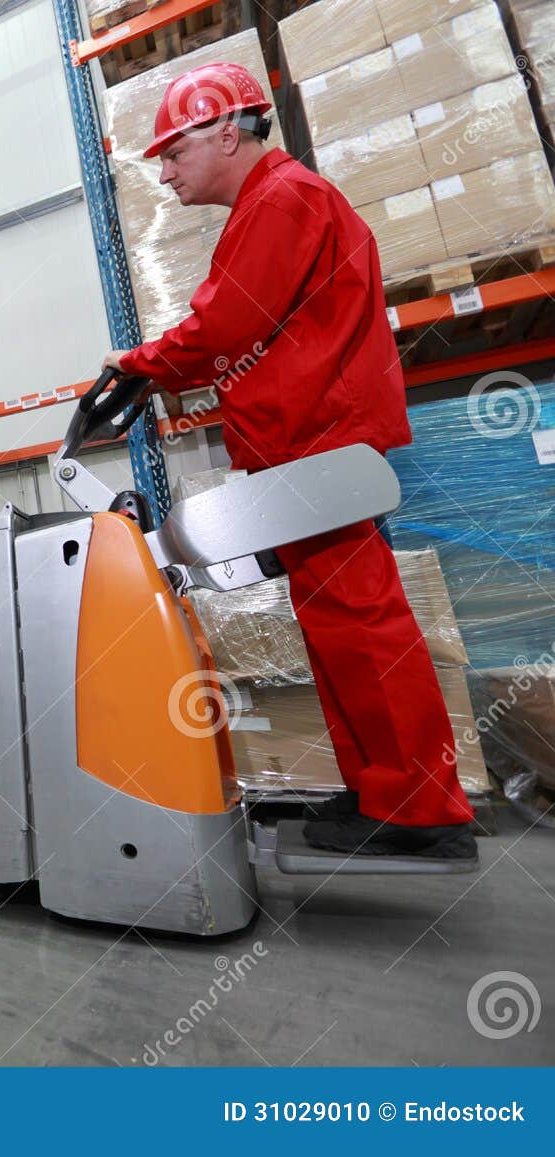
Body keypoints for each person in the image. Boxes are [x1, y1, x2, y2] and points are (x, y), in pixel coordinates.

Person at [105, 62, 476, 860]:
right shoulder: (270, 204)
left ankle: (418, 805)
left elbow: (225, 323)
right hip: (304, 452)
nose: (164, 173)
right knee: (337, 625)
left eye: (173, 153)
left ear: (225, 132)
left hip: (321, 446)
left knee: (360, 625)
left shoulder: (283, 198)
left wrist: (138, 365)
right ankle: (382, 788)